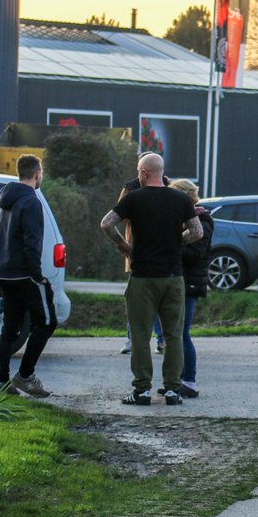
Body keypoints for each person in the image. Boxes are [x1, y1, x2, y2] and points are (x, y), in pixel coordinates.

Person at [101, 153, 203, 406]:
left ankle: (142, 390)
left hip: (142, 278)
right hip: (173, 278)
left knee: (140, 335)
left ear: (144, 173)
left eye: (139, 171)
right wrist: (175, 241)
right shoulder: (181, 199)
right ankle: (172, 390)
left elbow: (106, 224)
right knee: (173, 336)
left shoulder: (134, 198)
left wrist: (123, 246)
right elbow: (197, 232)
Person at [0, 154, 57, 398]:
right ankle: (25, 376)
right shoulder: (31, 202)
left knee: (9, 329)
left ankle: (2, 381)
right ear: (37, 174)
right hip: (24, 274)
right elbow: (32, 241)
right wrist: (38, 275)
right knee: (47, 322)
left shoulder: (6, 200)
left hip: (4, 273)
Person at [169, 179, 214, 399]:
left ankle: (189, 381)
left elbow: (195, 253)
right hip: (183, 280)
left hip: (190, 282)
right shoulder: (187, 219)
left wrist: (171, 246)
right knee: (176, 333)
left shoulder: (201, 221)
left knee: (182, 333)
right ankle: (177, 380)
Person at [118, 161, 167, 355]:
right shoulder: (130, 190)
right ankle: (133, 339)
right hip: (137, 250)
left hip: (156, 252)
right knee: (137, 299)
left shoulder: (166, 186)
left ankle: (161, 340)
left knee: (150, 299)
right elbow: (120, 215)